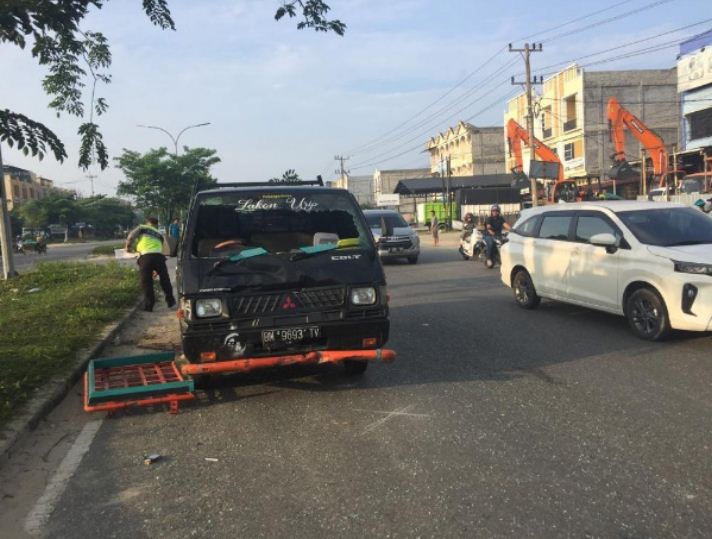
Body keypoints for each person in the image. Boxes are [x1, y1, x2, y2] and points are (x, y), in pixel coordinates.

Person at [125, 217, 175, 312]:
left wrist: (127, 247)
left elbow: (131, 236)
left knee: (147, 282)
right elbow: (167, 251)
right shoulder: (160, 234)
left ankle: (149, 306)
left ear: (147, 222)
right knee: (165, 280)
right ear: (156, 224)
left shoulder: (142, 227)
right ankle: (170, 301)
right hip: (159, 257)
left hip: (145, 257)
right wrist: (157, 268)